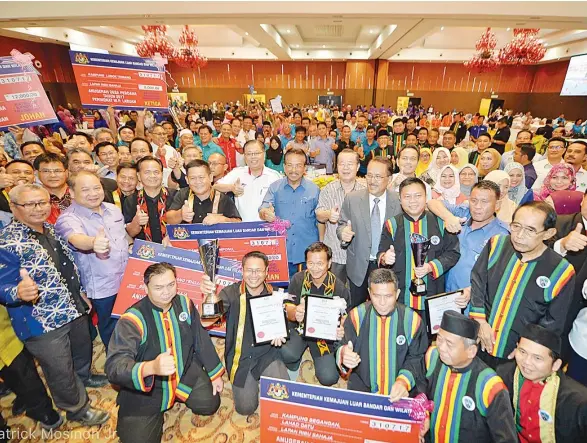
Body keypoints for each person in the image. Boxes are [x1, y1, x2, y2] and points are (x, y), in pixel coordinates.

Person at [0, 183, 110, 426]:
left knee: (81, 350)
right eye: (30, 204)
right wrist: (17, 291)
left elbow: (68, 267)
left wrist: (80, 292)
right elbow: (2, 286)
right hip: (42, 318)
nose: (39, 208)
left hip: (72, 306)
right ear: (13, 206)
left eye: (42, 202)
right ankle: (77, 409)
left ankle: (84, 378)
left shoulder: (51, 229)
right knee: (59, 368)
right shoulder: (6, 241)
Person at [106, 263, 224, 443]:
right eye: (158, 287)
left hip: (184, 372)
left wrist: (215, 375)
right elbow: (114, 368)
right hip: (147, 391)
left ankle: (177, 394)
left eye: (171, 284)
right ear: (146, 288)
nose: (166, 292)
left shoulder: (184, 303)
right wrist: (151, 367)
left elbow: (200, 339)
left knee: (210, 404)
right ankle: (156, 409)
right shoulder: (132, 320)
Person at [470, 202, 575, 369]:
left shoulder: (561, 271)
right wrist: (480, 321)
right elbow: (478, 283)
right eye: (516, 226)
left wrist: (527, 350)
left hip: (517, 357)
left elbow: (552, 322)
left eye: (530, 230)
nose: (519, 235)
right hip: (478, 342)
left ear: (548, 233)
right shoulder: (496, 245)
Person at [200, 251, 289, 416]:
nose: (253, 275)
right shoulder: (230, 293)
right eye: (249, 270)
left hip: (268, 354)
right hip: (241, 357)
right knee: (245, 408)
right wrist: (208, 296)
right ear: (242, 270)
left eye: (258, 270)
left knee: (283, 399)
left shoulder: (276, 294)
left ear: (266, 272)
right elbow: (206, 321)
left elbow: (288, 319)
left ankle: (274, 374)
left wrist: (280, 332)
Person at [55, 170, 129, 350]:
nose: (93, 193)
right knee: (111, 330)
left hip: (127, 280)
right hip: (104, 287)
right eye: (86, 190)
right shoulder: (68, 219)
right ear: (71, 193)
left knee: (131, 324)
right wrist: (93, 243)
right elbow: (75, 238)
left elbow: (123, 238)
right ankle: (117, 366)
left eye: (97, 188)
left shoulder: (112, 209)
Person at [417, 311, 518, 443]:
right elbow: (422, 387)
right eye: (439, 339)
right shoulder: (433, 357)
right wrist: (424, 415)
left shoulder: (490, 386)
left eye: (449, 344)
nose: (441, 347)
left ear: (471, 351)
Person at [377, 177, 460, 326]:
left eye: (418, 196)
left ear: (426, 197)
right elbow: (381, 254)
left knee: (428, 339)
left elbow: (453, 253)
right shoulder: (392, 225)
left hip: (433, 293)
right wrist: (385, 258)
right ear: (400, 200)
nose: (413, 201)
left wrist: (431, 267)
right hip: (401, 295)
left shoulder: (440, 222)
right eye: (407, 197)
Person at [336, 268, 427, 397]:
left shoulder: (412, 321)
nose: (382, 303)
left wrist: (403, 381)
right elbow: (340, 346)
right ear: (369, 293)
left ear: (397, 293)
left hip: (400, 395)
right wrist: (343, 354)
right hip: (363, 393)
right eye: (377, 296)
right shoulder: (356, 316)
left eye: (388, 296)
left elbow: (417, 358)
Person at [496, 324, 587, 442]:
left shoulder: (578, 402)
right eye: (522, 352)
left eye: (537, 358)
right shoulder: (504, 374)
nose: (526, 362)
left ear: (556, 365)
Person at [281, 242, 350, 385]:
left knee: (329, 378)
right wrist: (295, 313)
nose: (315, 268)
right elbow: (287, 306)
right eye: (310, 263)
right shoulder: (298, 279)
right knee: (285, 353)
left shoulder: (339, 287)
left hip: (323, 337)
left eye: (320, 263)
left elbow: (346, 317)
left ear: (329, 263)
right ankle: (294, 363)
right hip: (299, 329)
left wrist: (341, 328)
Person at [337, 157, 401, 309]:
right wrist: (343, 234)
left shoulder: (398, 201)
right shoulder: (352, 199)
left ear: (389, 178)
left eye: (378, 177)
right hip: (358, 267)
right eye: (369, 175)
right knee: (356, 311)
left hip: (388, 267)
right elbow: (341, 225)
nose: (372, 181)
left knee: (385, 309)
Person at [440, 180, 510, 297]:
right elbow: (432, 203)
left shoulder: (502, 236)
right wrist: (448, 217)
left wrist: (471, 291)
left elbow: (500, 277)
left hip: (473, 302)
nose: (478, 207)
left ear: (497, 205)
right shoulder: (464, 215)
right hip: (444, 296)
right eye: (474, 201)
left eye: (484, 202)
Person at [0, 305, 63, 429]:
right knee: (10, 377)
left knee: (26, 376)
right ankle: (23, 398)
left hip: (6, 338)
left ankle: (44, 412)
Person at [259, 148, 319, 276]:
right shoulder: (275, 187)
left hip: (307, 253)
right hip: (281, 252)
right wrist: (265, 213)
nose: (293, 170)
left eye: (298, 166)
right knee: (281, 293)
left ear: (304, 168)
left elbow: (320, 220)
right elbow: (263, 208)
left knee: (304, 292)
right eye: (290, 165)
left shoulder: (315, 190)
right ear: (284, 167)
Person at [315, 149, 366, 282]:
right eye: (342, 163)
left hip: (358, 257)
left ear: (358, 166)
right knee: (334, 296)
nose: (346, 168)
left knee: (355, 298)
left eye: (350, 164)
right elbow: (319, 214)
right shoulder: (328, 190)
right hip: (334, 254)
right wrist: (329, 214)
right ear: (336, 166)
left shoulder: (365, 192)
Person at [215, 140, 281, 222]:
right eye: (249, 154)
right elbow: (215, 187)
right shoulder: (237, 172)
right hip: (243, 228)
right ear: (244, 156)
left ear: (264, 154)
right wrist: (231, 187)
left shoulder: (275, 176)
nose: (253, 157)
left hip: (267, 227)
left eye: (256, 153)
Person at [165, 160, 240, 225]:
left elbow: (238, 223)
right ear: (187, 180)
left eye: (201, 177)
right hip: (188, 240)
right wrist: (180, 214)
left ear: (210, 177)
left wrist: (224, 220)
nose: (198, 182)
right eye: (193, 178)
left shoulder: (223, 198)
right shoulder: (182, 194)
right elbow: (168, 218)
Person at [123, 156, 175, 244]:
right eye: (147, 172)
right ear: (139, 176)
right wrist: (136, 222)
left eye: (156, 172)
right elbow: (129, 234)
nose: (152, 176)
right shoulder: (130, 200)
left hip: (173, 250)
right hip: (144, 252)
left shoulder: (175, 195)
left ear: (162, 174)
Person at [34, 153, 71, 224]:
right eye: (46, 171)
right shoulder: (33, 200)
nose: (52, 175)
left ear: (66, 173)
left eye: (57, 171)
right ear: (36, 173)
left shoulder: (80, 193)